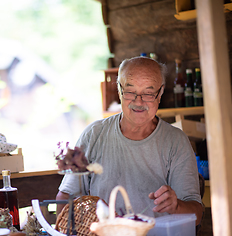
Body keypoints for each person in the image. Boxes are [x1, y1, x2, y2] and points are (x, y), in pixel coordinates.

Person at [56, 56, 203, 225]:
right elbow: (65, 197)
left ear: (160, 93)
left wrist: (176, 206)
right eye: (130, 91)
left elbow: (196, 213)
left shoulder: (177, 141)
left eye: (148, 93)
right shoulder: (92, 134)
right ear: (119, 91)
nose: (138, 101)